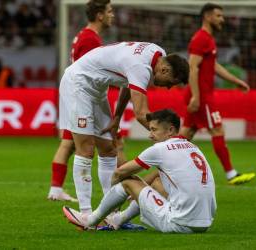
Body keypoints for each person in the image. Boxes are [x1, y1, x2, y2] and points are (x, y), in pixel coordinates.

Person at [59, 41, 189, 216]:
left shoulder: (157, 52)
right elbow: (141, 113)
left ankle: (110, 212)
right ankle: (86, 214)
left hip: (96, 89)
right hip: (77, 84)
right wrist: (171, 142)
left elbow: (129, 82)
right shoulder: (141, 66)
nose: (168, 88)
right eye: (171, 83)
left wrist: (117, 117)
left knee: (109, 149)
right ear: (165, 70)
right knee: (86, 149)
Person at [63, 109, 216, 233]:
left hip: (179, 224)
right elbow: (161, 174)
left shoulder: (160, 149)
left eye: (154, 130)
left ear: (170, 130)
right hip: (204, 223)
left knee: (128, 181)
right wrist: (142, 189)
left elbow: (119, 173)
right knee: (157, 184)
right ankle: (118, 220)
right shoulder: (192, 147)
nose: (150, 135)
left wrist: (116, 198)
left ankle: (90, 220)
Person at [180, 3, 255, 185]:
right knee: (217, 129)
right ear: (207, 16)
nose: (222, 19)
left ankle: (162, 166)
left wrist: (235, 81)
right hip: (202, 96)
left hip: (200, 94)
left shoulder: (208, 39)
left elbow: (213, 65)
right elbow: (192, 67)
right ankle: (231, 174)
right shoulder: (201, 39)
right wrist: (197, 97)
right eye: (219, 15)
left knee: (186, 134)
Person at [47, 0, 115, 202]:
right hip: (82, 97)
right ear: (100, 15)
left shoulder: (85, 36)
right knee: (105, 144)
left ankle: (55, 189)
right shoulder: (90, 40)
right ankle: (121, 188)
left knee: (68, 143)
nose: (113, 15)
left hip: (77, 95)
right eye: (110, 11)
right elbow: (89, 73)